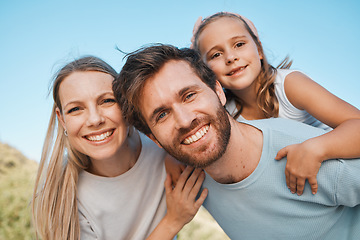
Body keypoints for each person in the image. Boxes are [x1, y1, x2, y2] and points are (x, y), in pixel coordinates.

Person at [113, 44, 360, 240]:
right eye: (162, 115)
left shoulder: (303, 154)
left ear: (219, 92)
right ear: (154, 139)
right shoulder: (190, 180)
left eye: (189, 95)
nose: (185, 121)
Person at [31, 56, 207, 240]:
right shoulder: (66, 198)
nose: (95, 119)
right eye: (76, 109)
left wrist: (171, 153)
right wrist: (173, 221)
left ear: (124, 104)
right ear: (62, 119)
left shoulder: (159, 139)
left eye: (107, 101)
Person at [191, 12, 360, 195]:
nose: (231, 57)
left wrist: (317, 149)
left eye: (239, 44)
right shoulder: (227, 114)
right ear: (205, 71)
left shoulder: (289, 84)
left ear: (259, 50)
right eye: (216, 54)